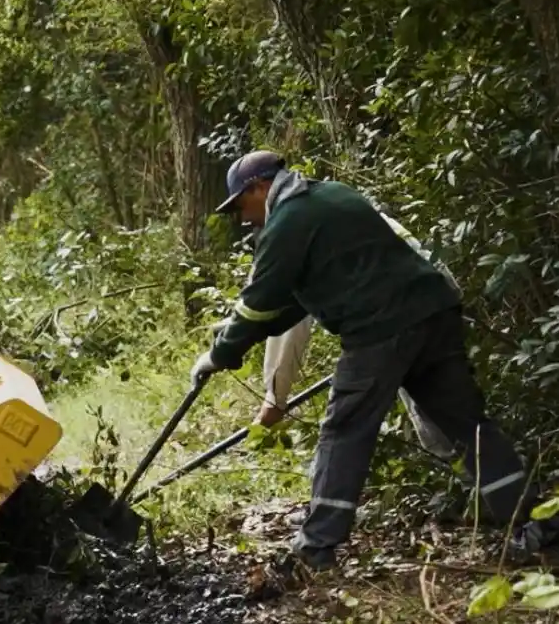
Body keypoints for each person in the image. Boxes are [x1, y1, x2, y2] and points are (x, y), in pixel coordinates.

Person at [190, 149, 557, 569]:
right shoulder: (334, 195)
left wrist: (220, 355)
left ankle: (316, 546)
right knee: (467, 426)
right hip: (434, 314)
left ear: (260, 186)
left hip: (381, 329)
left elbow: (262, 299)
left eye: (241, 204)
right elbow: (292, 301)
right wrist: (238, 332)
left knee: (345, 428)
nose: (242, 217)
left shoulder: (288, 221)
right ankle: (540, 528)